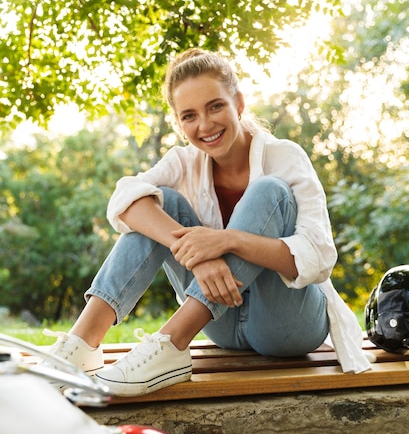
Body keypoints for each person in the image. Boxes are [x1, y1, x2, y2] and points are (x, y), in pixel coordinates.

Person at [44, 48, 372, 396]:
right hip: (221, 325)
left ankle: (171, 342)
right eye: (189, 115)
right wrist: (196, 253)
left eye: (215, 106)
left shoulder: (284, 156)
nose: (205, 125)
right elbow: (123, 199)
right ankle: (81, 346)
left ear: (239, 103)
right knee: (157, 200)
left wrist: (227, 242)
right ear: (179, 122)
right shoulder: (184, 162)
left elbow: (319, 257)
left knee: (269, 191)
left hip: (286, 326)